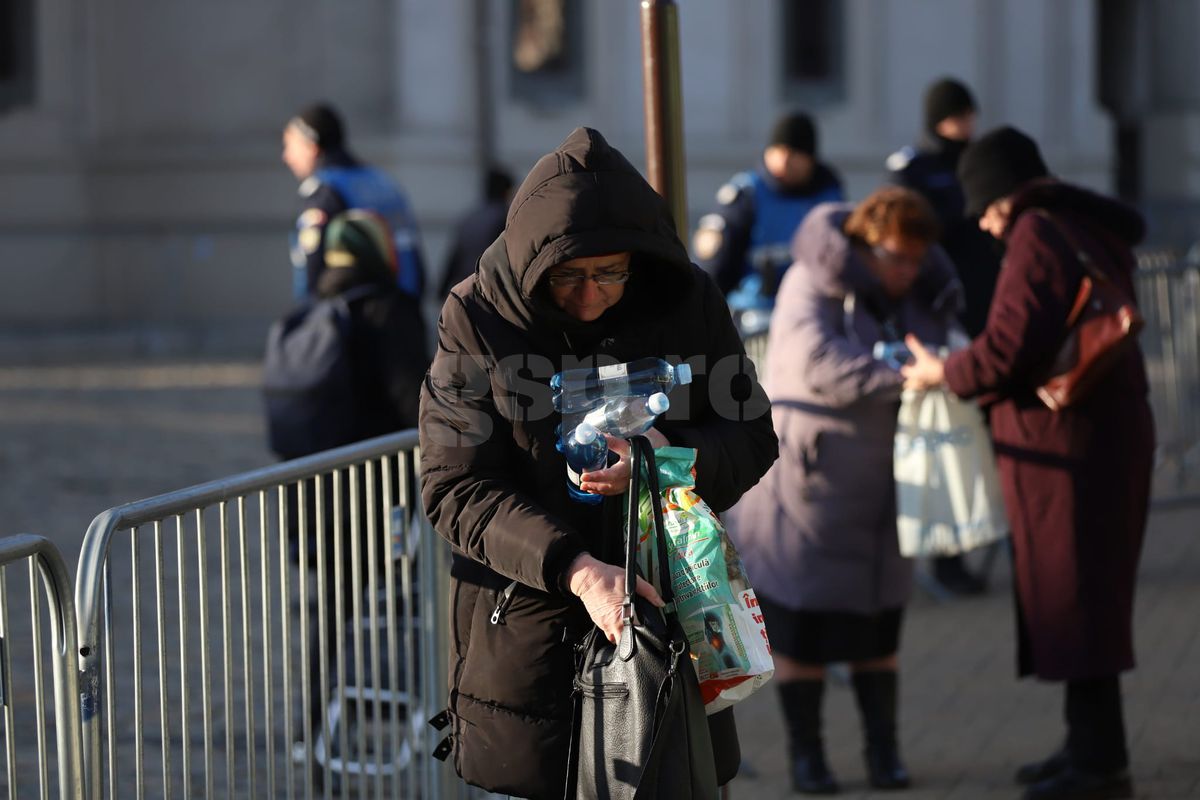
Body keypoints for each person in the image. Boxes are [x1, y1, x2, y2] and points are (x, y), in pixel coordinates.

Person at [418, 126, 778, 799]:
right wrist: (577, 571)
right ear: (533, 265)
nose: (590, 295)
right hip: (527, 637)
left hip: (666, 623)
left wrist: (670, 461)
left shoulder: (686, 299)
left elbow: (752, 435)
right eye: (569, 277)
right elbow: (453, 487)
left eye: (610, 274)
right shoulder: (475, 315)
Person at [901, 126, 1154, 800]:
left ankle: (1100, 766)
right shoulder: (1080, 223)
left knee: (1078, 598)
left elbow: (1008, 347)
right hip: (1095, 437)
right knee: (1085, 597)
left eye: (984, 208)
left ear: (1004, 196)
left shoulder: (1037, 234)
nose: (984, 226)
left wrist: (940, 373)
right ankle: (1085, 746)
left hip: (1067, 447)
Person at [727, 186, 964, 794]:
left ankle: (883, 753)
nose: (906, 271)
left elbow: (945, 344)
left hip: (888, 486)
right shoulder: (812, 281)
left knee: (879, 626)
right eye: (894, 257)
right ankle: (808, 759)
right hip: (814, 487)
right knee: (806, 628)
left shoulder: (917, 291)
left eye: (915, 259)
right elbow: (817, 362)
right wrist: (904, 374)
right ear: (863, 244)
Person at [887, 77, 1002, 595]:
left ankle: (992, 539)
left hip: (984, 315)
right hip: (938, 324)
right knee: (946, 449)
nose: (967, 124)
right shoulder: (917, 169)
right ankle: (947, 558)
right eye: (959, 114)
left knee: (987, 442)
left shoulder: (982, 162)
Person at [693, 110, 844, 332]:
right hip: (755, 322)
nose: (783, 162)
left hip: (816, 317)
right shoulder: (745, 197)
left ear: (810, 159)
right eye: (778, 151)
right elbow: (715, 271)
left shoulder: (830, 194)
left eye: (793, 154)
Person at [281, 103, 426, 302]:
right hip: (404, 309)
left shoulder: (324, 191)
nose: (286, 156)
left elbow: (312, 270)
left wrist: (310, 322)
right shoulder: (383, 181)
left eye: (290, 145)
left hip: (356, 318)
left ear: (311, 147)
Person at [437, 166, 515, 299]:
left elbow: (454, 259)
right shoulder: (505, 217)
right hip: (488, 293)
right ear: (506, 191)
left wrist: (441, 290)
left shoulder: (468, 218)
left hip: (464, 292)